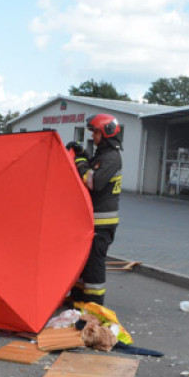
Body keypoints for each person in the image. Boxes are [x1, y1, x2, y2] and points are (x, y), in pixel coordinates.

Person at [67, 114, 123, 305]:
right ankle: (78, 299)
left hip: (103, 223)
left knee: (94, 264)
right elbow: (92, 167)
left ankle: (94, 304)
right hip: (93, 220)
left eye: (96, 132)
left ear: (107, 133)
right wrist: (83, 153)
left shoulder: (112, 157)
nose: (93, 136)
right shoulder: (102, 155)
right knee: (84, 261)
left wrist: (80, 162)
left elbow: (94, 182)